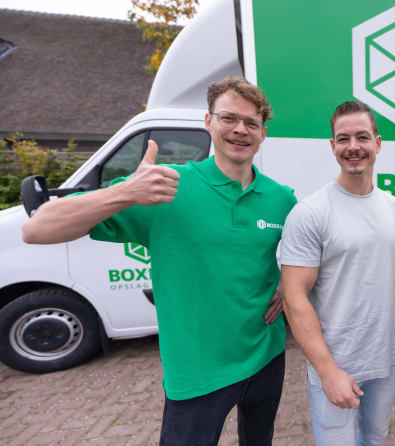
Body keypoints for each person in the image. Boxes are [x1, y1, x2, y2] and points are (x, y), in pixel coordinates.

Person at [22, 77, 296, 446]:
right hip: (197, 373)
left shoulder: (281, 198)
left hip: (267, 356)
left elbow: (309, 253)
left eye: (251, 122)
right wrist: (125, 192)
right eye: (229, 118)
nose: (240, 129)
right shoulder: (164, 187)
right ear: (208, 122)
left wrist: (287, 283)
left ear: (263, 132)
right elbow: (37, 230)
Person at [279, 101, 395, 445]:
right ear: (332, 146)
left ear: (378, 143)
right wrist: (327, 371)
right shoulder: (311, 212)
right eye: (343, 139)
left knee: (374, 438)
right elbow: (294, 298)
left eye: (362, 137)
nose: (353, 147)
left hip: (385, 360)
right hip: (336, 364)